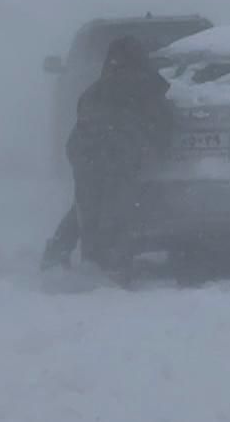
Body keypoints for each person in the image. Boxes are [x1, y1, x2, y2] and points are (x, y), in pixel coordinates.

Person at [42, 36, 174, 270]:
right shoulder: (149, 85)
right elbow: (162, 123)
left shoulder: (96, 87)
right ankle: (108, 265)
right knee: (115, 209)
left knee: (85, 206)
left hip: (84, 150)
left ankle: (61, 255)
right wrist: (158, 152)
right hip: (118, 151)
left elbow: (81, 117)